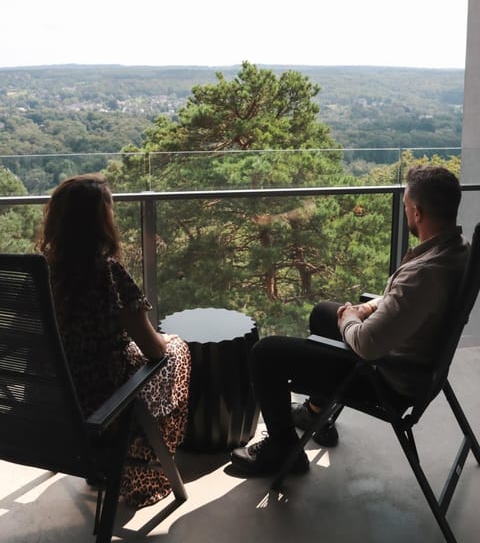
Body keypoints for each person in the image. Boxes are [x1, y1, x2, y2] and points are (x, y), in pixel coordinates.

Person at [230, 165, 469, 475]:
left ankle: (283, 450)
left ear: (418, 213)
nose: (406, 211)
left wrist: (349, 321)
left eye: (407, 206)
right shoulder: (455, 251)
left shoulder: (423, 276)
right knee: (322, 312)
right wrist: (362, 312)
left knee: (266, 353)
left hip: (386, 377)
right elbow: (408, 304)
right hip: (415, 362)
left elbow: (368, 345)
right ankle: (316, 412)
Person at [37, 173, 191, 507]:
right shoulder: (106, 274)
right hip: (104, 406)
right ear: (101, 222)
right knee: (176, 348)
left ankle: (114, 459)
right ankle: (144, 465)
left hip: (51, 405)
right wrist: (165, 341)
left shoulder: (39, 274)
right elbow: (153, 349)